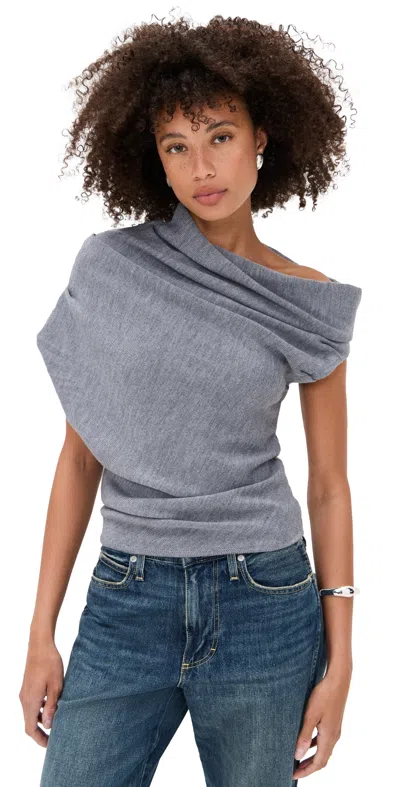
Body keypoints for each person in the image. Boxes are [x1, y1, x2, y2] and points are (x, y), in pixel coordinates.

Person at [20, 12, 362, 787]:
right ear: (156, 162)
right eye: (176, 146)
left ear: (261, 137)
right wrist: (41, 632)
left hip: (264, 598)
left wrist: (341, 662)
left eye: (220, 136)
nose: (202, 166)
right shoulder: (111, 268)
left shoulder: (306, 300)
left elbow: (329, 484)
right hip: (127, 595)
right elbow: (79, 459)